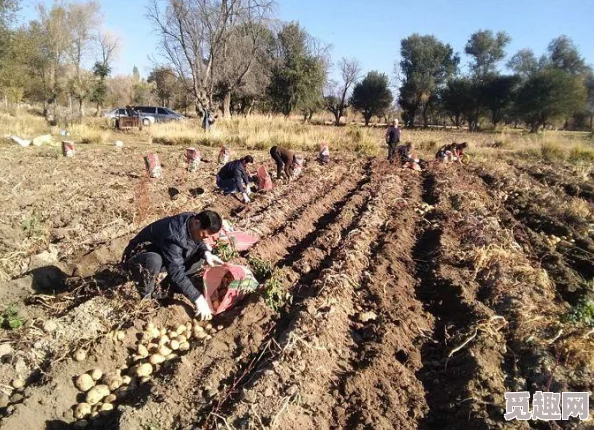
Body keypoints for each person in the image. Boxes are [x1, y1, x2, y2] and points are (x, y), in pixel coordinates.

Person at [121, 210, 225, 321]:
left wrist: (206, 252)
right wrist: (198, 298)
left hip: (164, 253)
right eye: (204, 235)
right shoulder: (174, 235)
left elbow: (197, 241)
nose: (204, 238)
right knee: (153, 261)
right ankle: (145, 299)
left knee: (199, 259)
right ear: (196, 222)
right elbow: (176, 271)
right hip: (140, 257)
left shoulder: (191, 221)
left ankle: (169, 285)